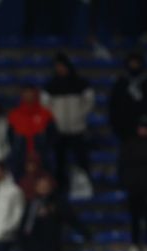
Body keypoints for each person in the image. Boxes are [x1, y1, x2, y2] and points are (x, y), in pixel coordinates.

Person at [41, 52, 94, 192]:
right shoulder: (50, 85)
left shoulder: (81, 83)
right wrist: (55, 118)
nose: (60, 69)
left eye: (63, 66)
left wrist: (79, 115)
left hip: (78, 129)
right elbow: (45, 105)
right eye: (58, 66)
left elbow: (89, 101)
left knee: (82, 160)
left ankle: (86, 188)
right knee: (60, 162)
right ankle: (61, 189)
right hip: (59, 131)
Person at [118, 116, 147, 251]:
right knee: (135, 218)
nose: (142, 130)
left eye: (145, 128)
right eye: (141, 127)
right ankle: (135, 244)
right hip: (134, 187)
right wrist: (127, 183)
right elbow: (123, 164)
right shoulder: (131, 144)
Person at [108, 52, 147, 142]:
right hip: (125, 127)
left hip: (145, 127)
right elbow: (114, 105)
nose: (134, 65)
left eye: (136, 63)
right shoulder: (121, 83)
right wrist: (117, 125)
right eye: (131, 63)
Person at [7, 85, 55, 176]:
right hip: (20, 156)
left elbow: (52, 136)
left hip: (41, 156)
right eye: (26, 93)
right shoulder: (14, 115)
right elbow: (10, 137)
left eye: (31, 92)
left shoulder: (46, 114)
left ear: (35, 94)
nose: (28, 95)